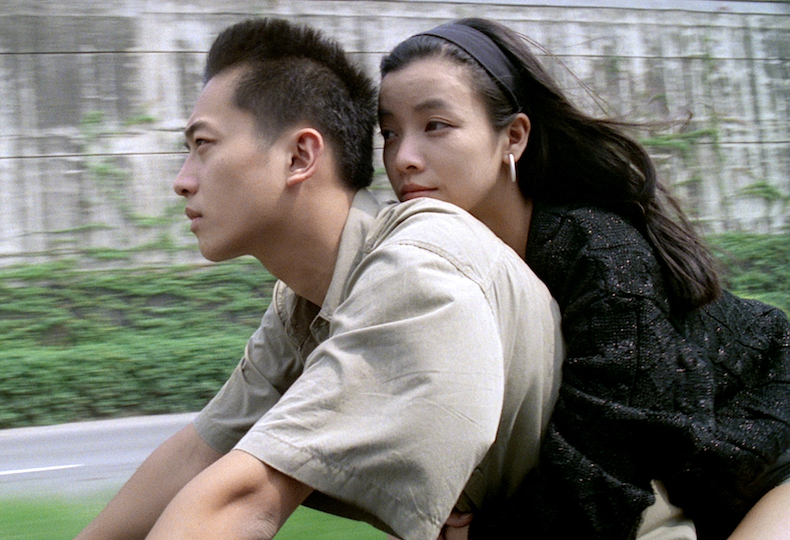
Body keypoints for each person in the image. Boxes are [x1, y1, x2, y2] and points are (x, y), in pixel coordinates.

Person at [72, 17, 564, 540]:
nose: (182, 180)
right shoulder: (304, 302)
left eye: (204, 145)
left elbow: (243, 499)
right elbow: (198, 454)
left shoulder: (416, 272)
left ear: (300, 156)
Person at [376, 17, 790, 540]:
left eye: (435, 125)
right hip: (689, 476)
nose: (403, 159)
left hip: (772, 447)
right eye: (390, 133)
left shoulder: (597, 250)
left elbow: (611, 454)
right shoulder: (443, 265)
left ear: (514, 137)